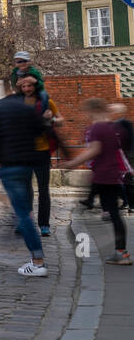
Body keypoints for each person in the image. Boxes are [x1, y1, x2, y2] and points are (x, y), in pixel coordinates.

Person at [0, 84, 49, 277]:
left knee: (22, 213)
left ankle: (37, 261)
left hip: (9, 166)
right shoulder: (28, 109)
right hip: (27, 165)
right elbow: (42, 131)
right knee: (21, 209)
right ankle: (9, 246)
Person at [64, 98, 132, 265]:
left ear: (91, 110)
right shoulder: (116, 128)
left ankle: (121, 253)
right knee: (115, 214)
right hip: (115, 173)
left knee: (113, 214)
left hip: (103, 174)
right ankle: (121, 252)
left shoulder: (97, 128)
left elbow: (94, 150)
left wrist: (72, 163)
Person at [17, 76, 59, 236]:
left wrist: (52, 117)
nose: (27, 89)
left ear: (35, 87)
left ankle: (44, 224)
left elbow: (60, 119)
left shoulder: (47, 102)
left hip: (42, 150)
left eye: (30, 86)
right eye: (23, 86)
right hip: (24, 151)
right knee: (25, 189)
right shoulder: (18, 104)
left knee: (43, 189)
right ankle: (25, 222)